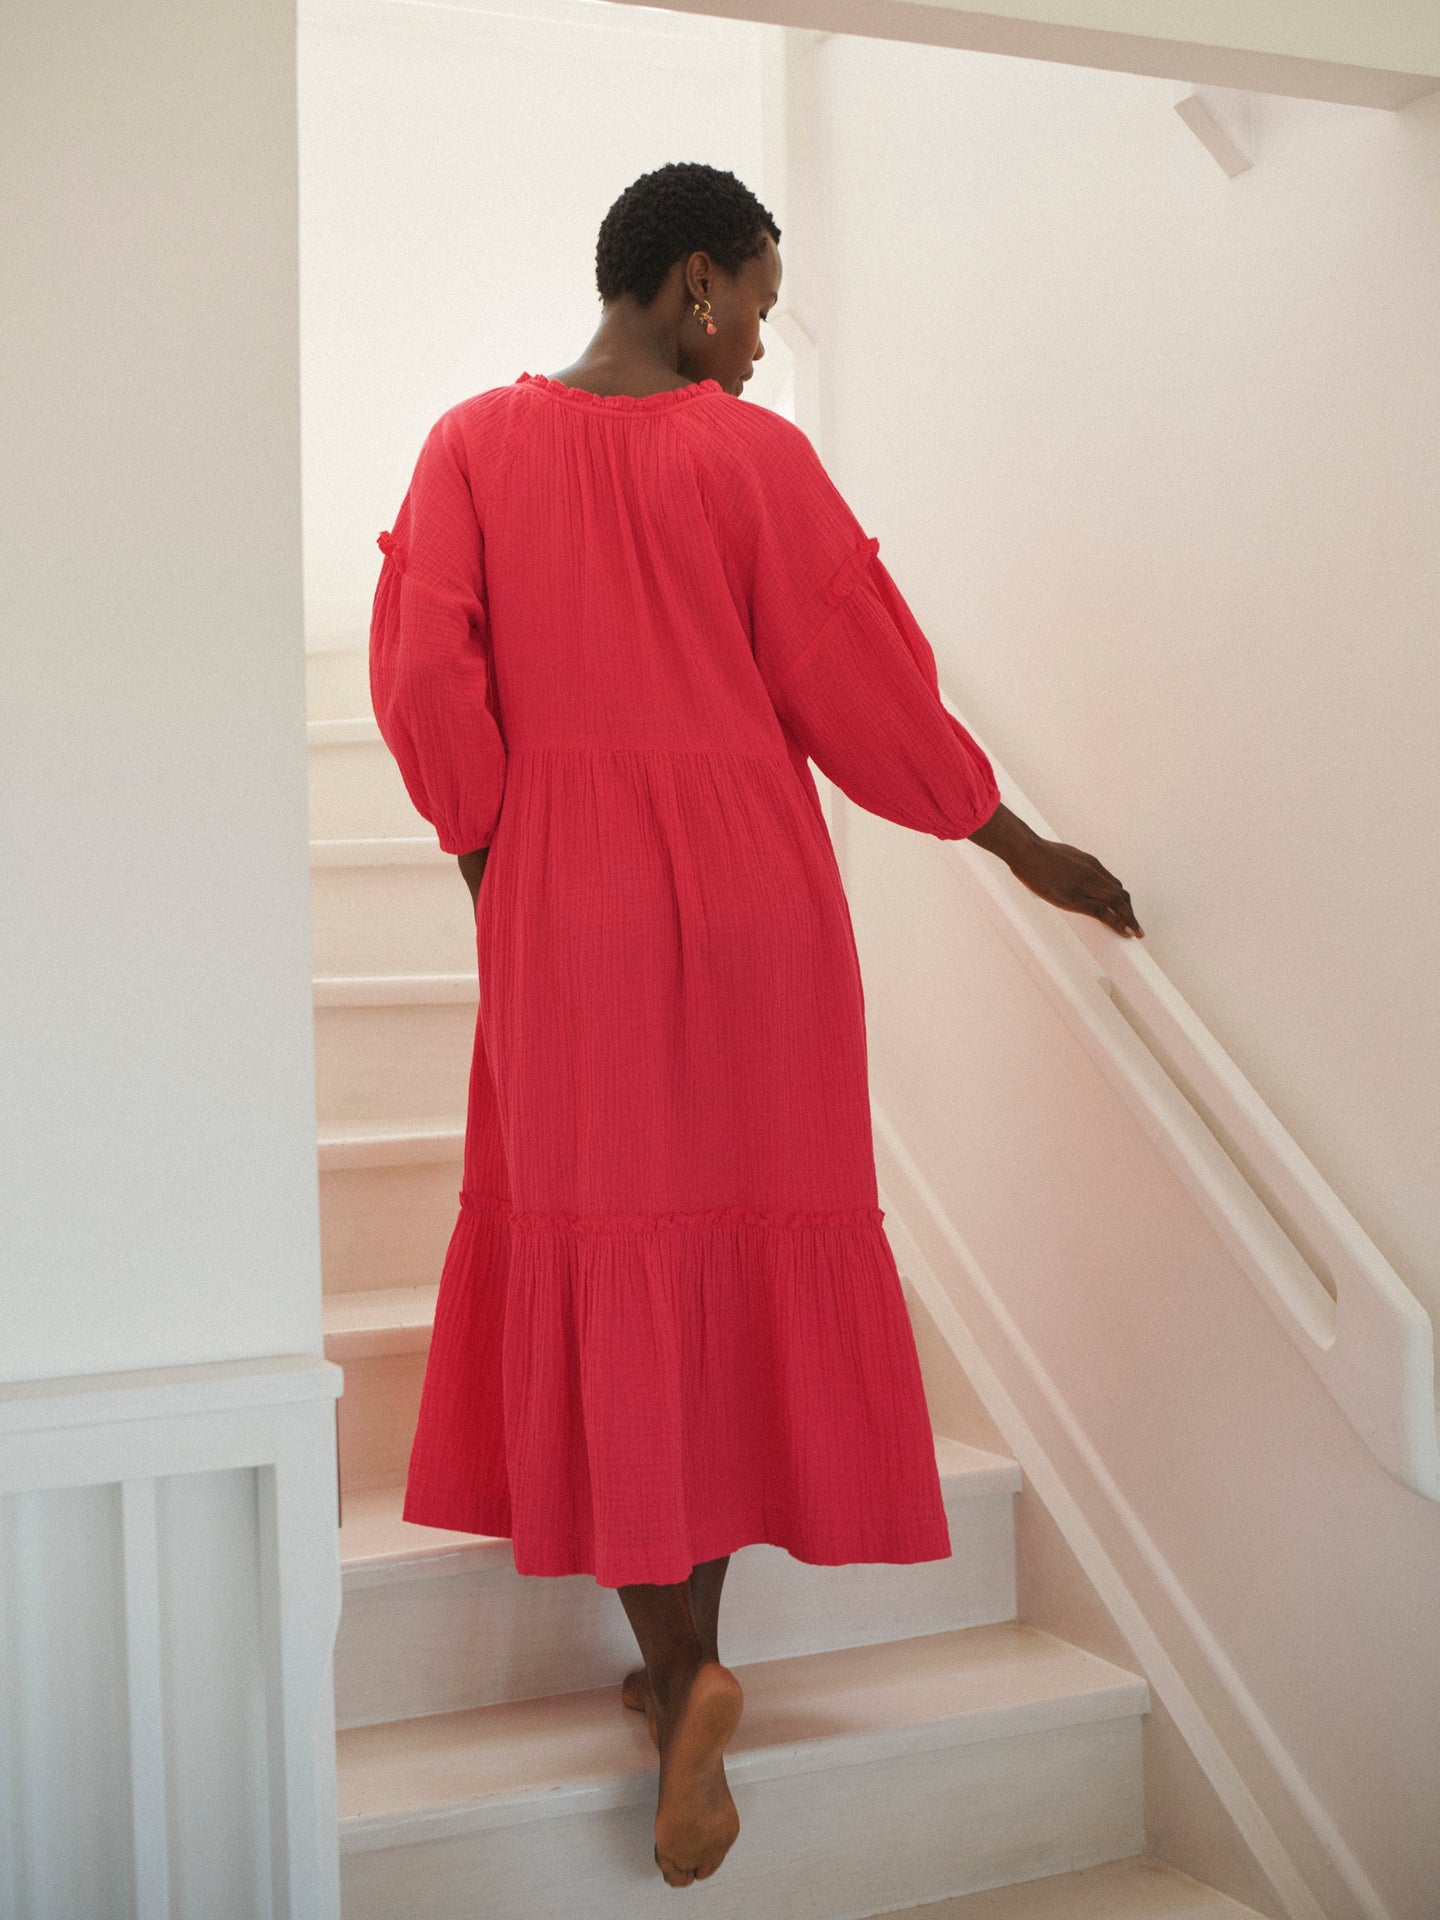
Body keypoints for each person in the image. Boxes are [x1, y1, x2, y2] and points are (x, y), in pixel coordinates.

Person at [368, 159, 1143, 1890]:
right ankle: (682, 1683)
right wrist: (1013, 843)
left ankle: (683, 1676)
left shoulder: (470, 448)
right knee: (721, 1258)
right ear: (697, 281)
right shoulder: (756, 460)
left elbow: (426, 678)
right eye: (761, 309)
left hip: (572, 900)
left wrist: (497, 866)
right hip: (760, 901)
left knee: (609, 1250)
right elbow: (861, 678)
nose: (762, 349)